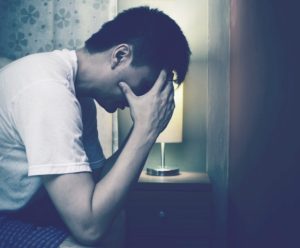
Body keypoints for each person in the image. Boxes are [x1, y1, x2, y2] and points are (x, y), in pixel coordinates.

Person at [0, 6, 191, 247]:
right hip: (5, 218)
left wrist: (144, 129)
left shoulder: (79, 96)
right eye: (144, 86)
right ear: (120, 55)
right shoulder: (49, 91)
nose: (141, 100)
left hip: (30, 210)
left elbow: (98, 182)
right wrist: (146, 129)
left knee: (115, 219)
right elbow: (88, 227)